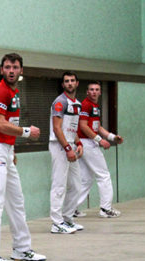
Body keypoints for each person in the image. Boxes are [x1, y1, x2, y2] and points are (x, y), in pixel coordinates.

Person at [0, 53, 45, 261]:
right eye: (7, 67)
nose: (11, 70)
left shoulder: (14, 92)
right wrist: (26, 132)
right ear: (1, 70)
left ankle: (22, 249)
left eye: (15, 67)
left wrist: (12, 149)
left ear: (21, 70)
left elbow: (8, 122)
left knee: (16, 201)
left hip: (5, 150)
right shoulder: (2, 92)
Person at [74, 81, 124, 218]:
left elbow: (98, 127)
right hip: (87, 143)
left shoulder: (95, 106)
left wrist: (113, 137)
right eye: (91, 89)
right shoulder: (85, 104)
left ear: (100, 92)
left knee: (86, 179)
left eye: (97, 89)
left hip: (88, 143)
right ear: (87, 92)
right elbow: (83, 126)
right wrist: (99, 140)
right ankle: (105, 209)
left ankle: (71, 209)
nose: (94, 92)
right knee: (103, 175)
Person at [48, 72, 85, 234]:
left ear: (77, 83)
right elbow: (57, 128)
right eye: (66, 81)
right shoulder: (60, 102)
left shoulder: (77, 103)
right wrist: (68, 148)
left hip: (70, 145)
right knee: (59, 185)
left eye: (72, 81)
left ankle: (68, 218)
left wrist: (78, 143)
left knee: (77, 184)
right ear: (63, 85)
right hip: (59, 146)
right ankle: (56, 223)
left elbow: (72, 127)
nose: (69, 83)